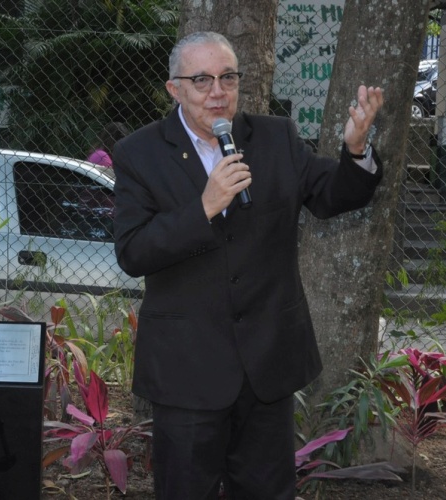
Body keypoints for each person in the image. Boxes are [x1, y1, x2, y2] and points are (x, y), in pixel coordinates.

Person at [112, 31, 384, 499]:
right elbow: (133, 252)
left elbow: (333, 193)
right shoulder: (139, 153)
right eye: (202, 80)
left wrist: (355, 152)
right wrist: (203, 207)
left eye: (228, 78)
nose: (218, 92)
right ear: (173, 89)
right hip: (188, 370)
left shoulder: (275, 137)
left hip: (267, 366)